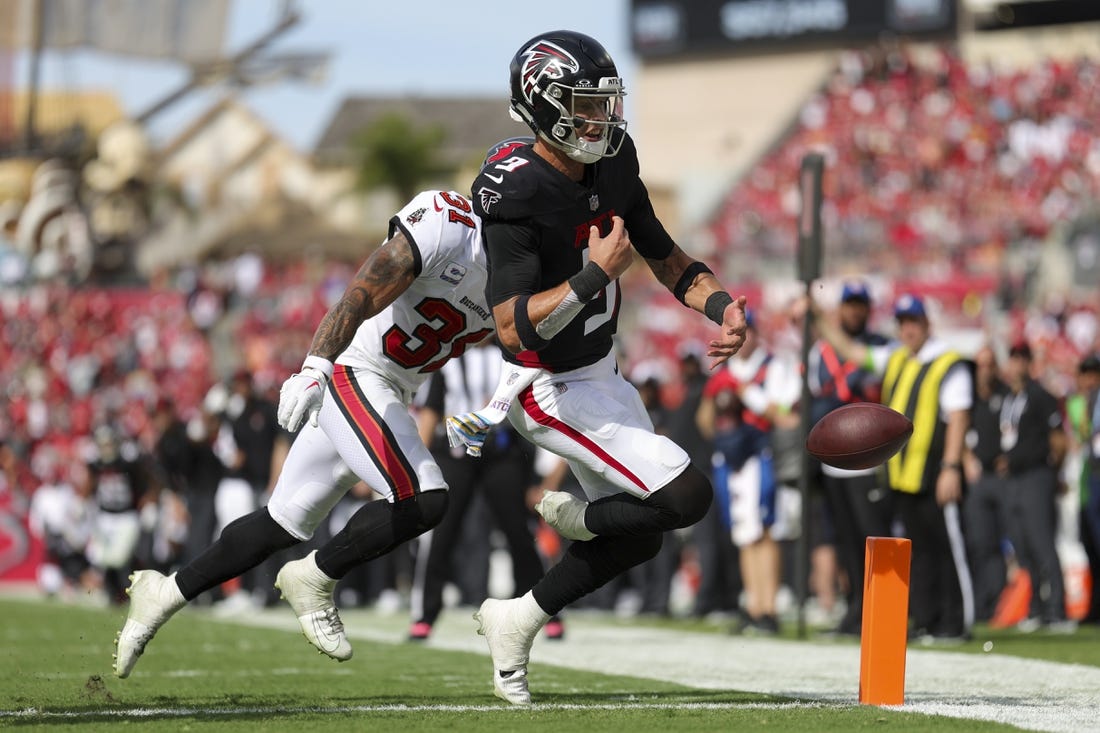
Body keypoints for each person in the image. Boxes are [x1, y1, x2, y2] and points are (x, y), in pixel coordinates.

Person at [455, 30, 747, 705]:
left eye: (604, 104)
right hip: (546, 386)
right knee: (685, 497)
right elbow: (509, 326)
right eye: (583, 106)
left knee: (642, 536)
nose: (601, 119)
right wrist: (590, 279)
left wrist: (722, 305)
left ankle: (516, 618)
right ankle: (584, 520)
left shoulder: (614, 159)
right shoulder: (514, 188)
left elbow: (663, 253)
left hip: (602, 372)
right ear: (541, 106)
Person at [112, 186, 495, 678]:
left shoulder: (520, 273)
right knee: (426, 498)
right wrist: (317, 365)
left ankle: (164, 593)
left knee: (280, 522)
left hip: (393, 391)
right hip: (356, 373)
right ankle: (314, 576)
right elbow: (360, 292)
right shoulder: (450, 223)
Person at [811, 293, 974, 642]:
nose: (908, 329)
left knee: (948, 548)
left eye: (913, 322)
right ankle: (929, 619)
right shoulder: (897, 357)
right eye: (902, 323)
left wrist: (951, 465)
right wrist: (818, 317)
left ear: (926, 324)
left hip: (933, 469)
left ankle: (957, 622)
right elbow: (850, 350)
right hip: (902, 473)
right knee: (920, 551)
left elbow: (958, 418)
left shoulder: (947, 362)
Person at [407, 338, 562, 641]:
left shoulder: (510, 359)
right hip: (456, 452)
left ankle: (543, 609)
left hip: (501, 452)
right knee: (442, 531)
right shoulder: (448, 360)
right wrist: (416, 467)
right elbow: (430, 412)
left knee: (518, 531)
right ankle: (425, 613)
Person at [695, 309, 801, 635]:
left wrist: (744, 392)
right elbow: (705, 422)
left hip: (761, 457)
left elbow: (785, 416)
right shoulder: (722, 372)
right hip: (732, 461)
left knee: (765, 533)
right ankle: (754, 605)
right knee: (744, 534)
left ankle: (768, 607)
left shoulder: (774, 367)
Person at [806, 281, 891, 635]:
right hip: (834, 461)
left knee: (875, 536)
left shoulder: (884, 348)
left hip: (870, 460)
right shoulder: (819, 354)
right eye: (850, 304)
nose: (855, 311)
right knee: (845, 539)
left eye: (861, 304)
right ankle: (855, 605)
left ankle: (882, 610)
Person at [999, 342, 1071, 632]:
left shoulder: (1041, 396)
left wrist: (1054, 473)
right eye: (1013, 358)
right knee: (1023, 545)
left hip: (1036, 475)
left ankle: (1057, 610)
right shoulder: (1009, 397)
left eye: (1021, 358)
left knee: (1042, 543)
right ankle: (1036, 608)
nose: (1017, 364)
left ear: (1029, 362)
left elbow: (1058, 439)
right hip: (1014, 478)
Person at [962, 344, 1012, 622]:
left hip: (1002, 476)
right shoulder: (967, 397)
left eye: (990, 364)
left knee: (1008, 540)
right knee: (980, 542)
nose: (986, 371)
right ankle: (982, 603)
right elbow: (955, 426)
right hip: (978, 477)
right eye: (981, 364)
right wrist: (966, 457)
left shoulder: (1005, 396)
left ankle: (1002, 602)